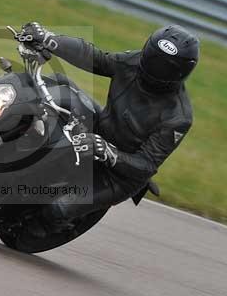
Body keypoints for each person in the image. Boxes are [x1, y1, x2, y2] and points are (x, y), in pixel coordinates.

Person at [19, 22, 199, 236]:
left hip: (118, 175)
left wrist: (107, 151)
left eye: (162, 65)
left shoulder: (177, 117)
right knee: (60, 86)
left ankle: (57, 226)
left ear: (178, 72)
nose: (151, 65)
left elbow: (146, 164)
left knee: (55, 210)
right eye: (151, 56)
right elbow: (97, 58)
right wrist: (50, 39)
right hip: (99, 130)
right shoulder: (133, 62)